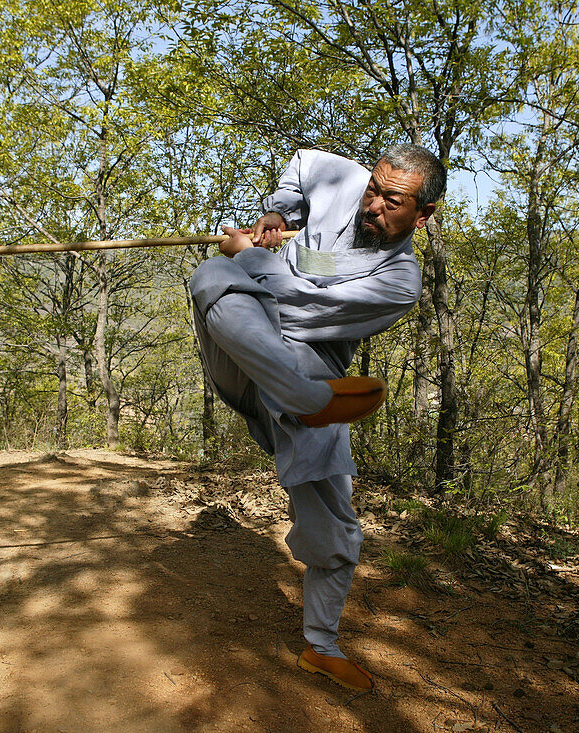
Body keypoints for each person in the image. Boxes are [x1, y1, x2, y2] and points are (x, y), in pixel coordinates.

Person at [189, 144, 446, 691]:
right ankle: (305, 398)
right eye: (375, 188)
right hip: (244, 352)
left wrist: (250, 259)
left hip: (313, 365)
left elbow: (299, 304)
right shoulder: (343, 181)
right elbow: (305, 167)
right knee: (211, 274)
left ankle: (320, 647)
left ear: (422, 216)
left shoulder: (399, 282)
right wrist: (282, 214)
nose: (372, 203)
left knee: (332, 518)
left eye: (391, 200)